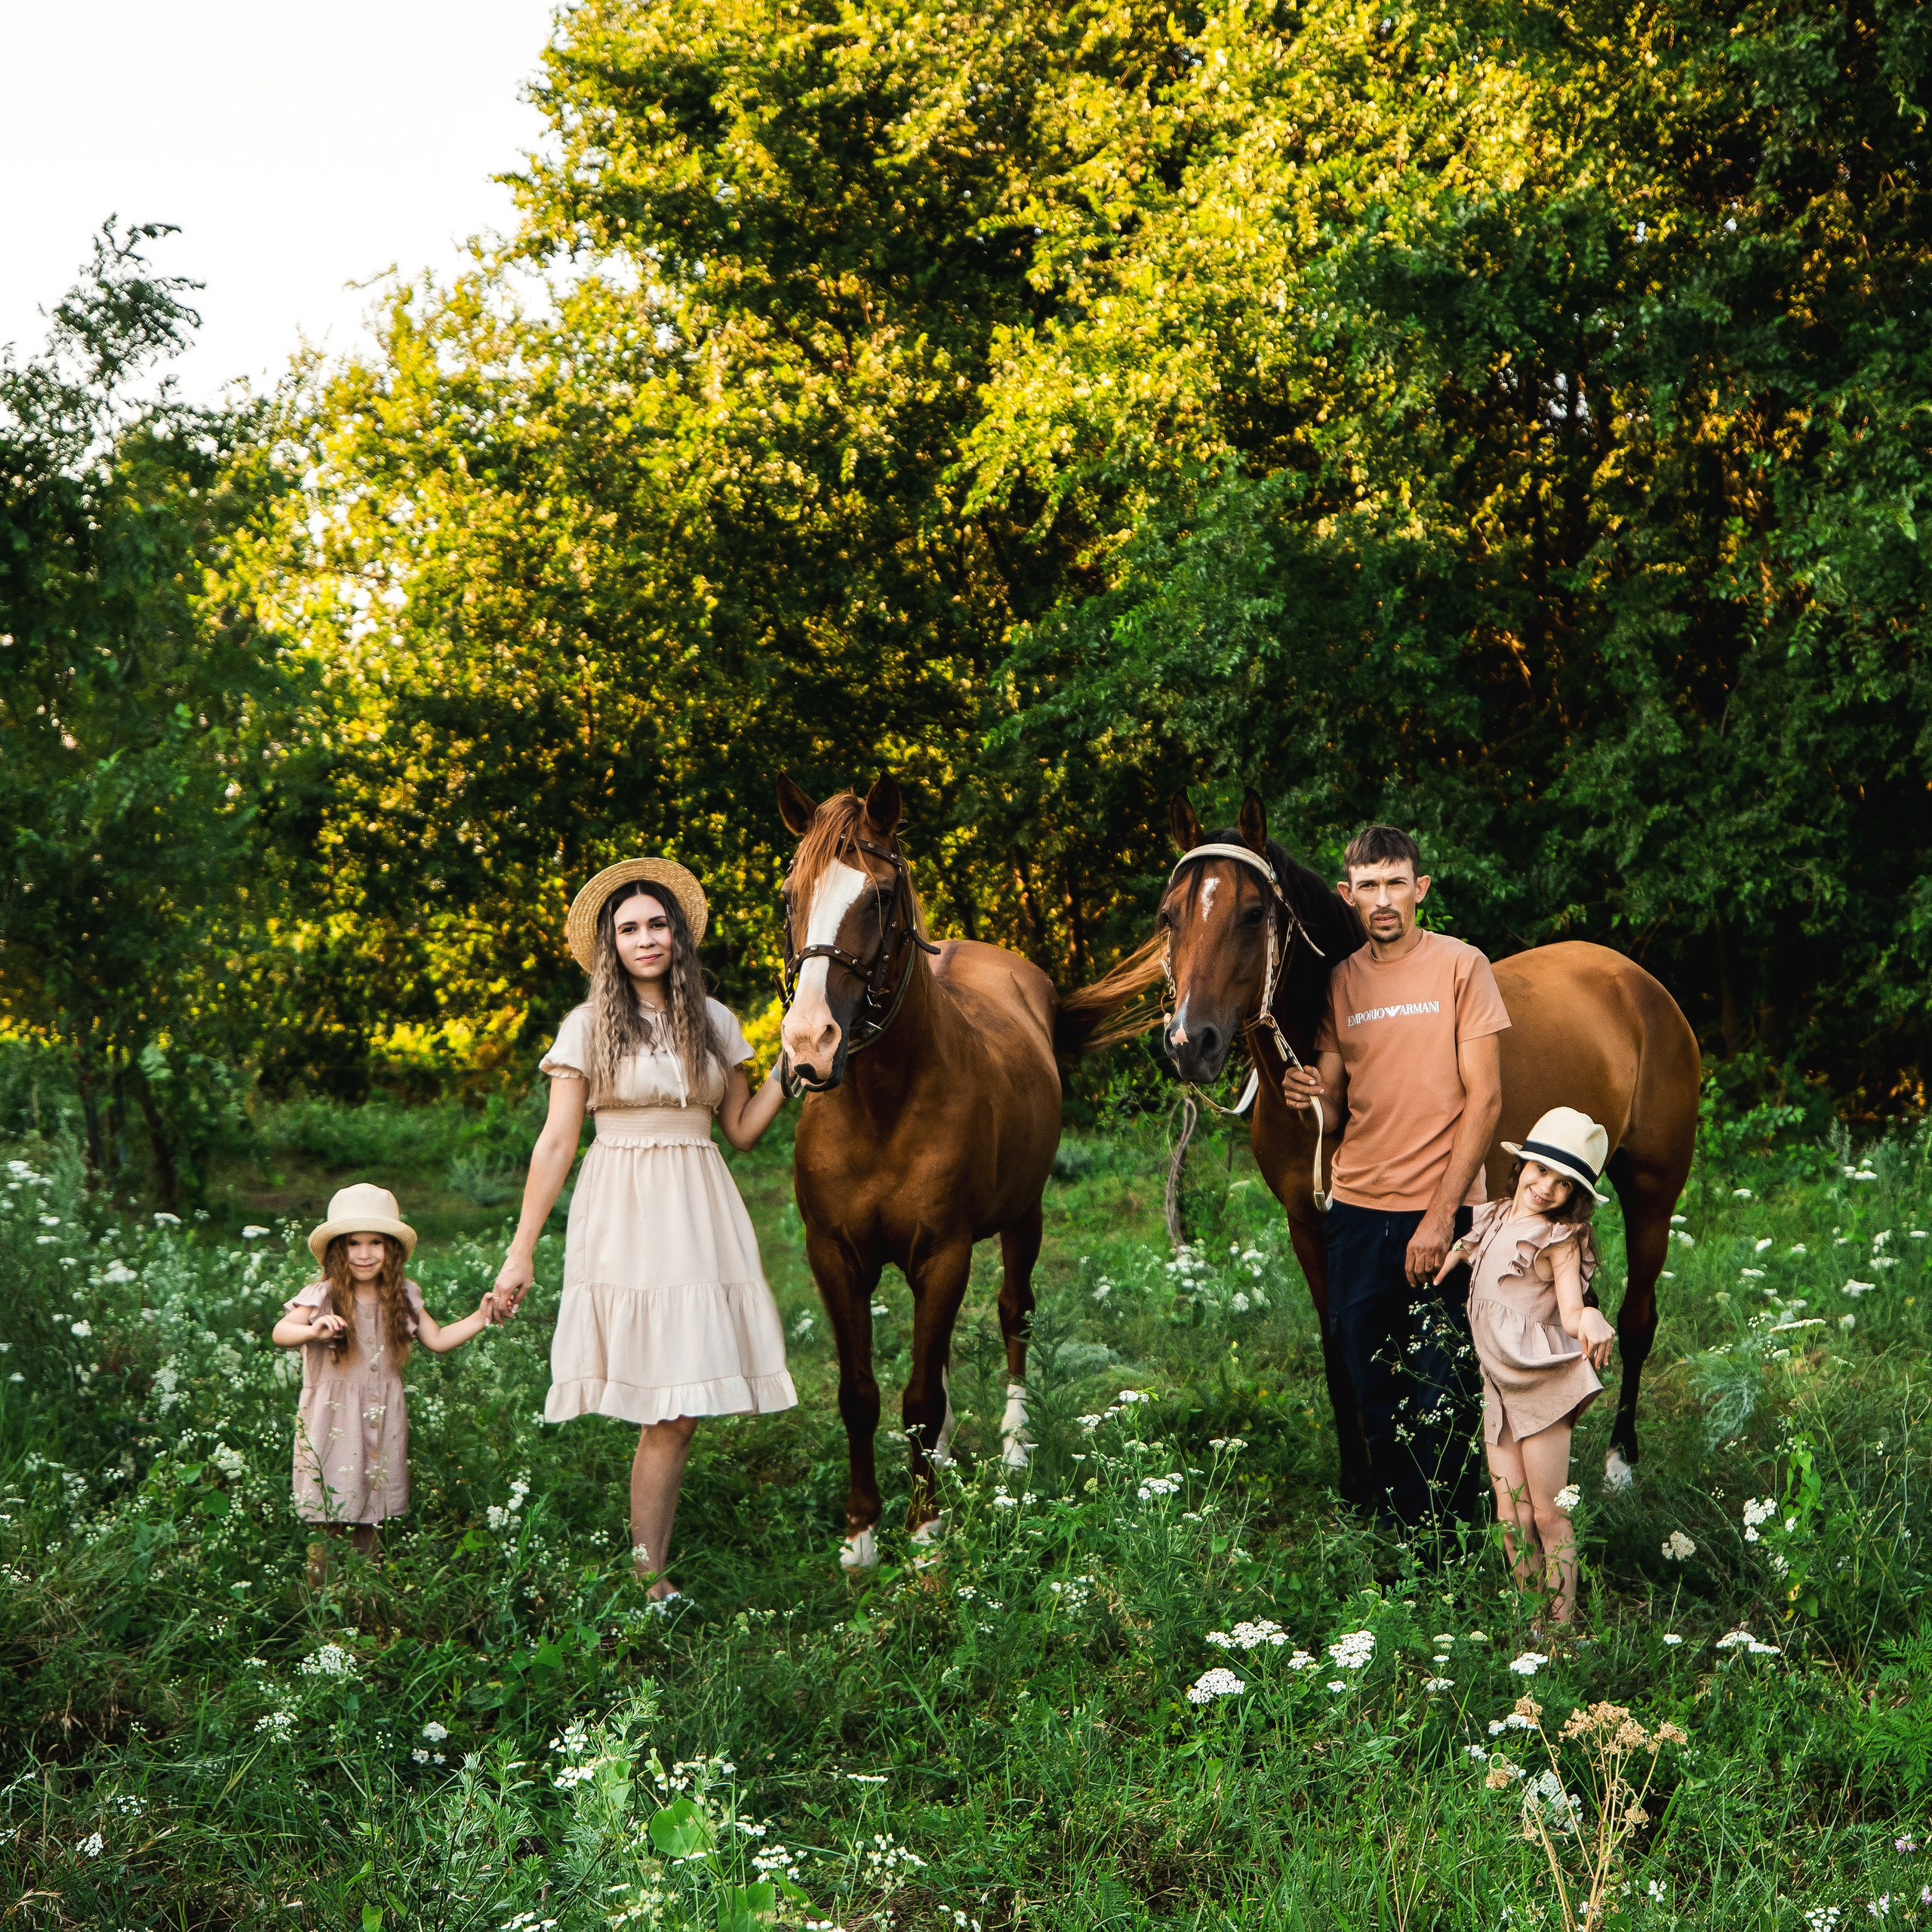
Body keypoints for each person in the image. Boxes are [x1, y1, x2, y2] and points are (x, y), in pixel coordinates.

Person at [493, 857, 796, 1602]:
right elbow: (557, 1142)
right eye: (628, 928)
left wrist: (792, 1064)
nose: (645, 938)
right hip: (624, 1203)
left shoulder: (717, 1021)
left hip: (699, 1202)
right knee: (664, 1403)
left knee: (682, 1407)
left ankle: (648, 1575)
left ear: (678, 934)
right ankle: (648, 1582)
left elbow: (743, 1130)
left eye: (657, 923)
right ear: (611, 944)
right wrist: (520, 1248)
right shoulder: (588, 1024)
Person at [1281, 823, 1510, 1527]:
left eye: (1396, 883)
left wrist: (1442, 1217)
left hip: (1442, 1216)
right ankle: (1402, 1553)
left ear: (1421, 889)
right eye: (1369, 886)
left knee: (1442, 1392)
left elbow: (1488, 1097)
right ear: (1349, 896)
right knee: (1372, 1388)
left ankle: (1455, 1548)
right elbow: (1335, 1090)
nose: (1384, 900)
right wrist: (1306, 1091)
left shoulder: (1461, 966)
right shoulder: (1341, 982)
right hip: (1355, 1214)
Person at [1435, 1107, 1617, 1623]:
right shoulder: (1494, 1214)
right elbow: (1477, 1243)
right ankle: (1531, 1618)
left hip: (1540, 1383)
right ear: (1522, 1166)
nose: (1546, 1188)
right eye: (1540, 1170)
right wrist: (1455, 1254)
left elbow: (1571, 1307)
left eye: (1564, 1184)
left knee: (1547, 1513)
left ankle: (1562, 1630)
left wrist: (1592, 1318)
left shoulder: (1560, 1239)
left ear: (1576, 1198)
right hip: (1499, 1384)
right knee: (1511, 1515)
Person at [272, 1183, 499, 1583]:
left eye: (376, 1242)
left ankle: (368, 1599)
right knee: (329, 1517)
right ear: (337, 1250)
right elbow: (281, 1332)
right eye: (353, 1243)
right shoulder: (322, 1295)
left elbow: (438, 1340)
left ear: (390, 1249)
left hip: (381, 1418)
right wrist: (313, 1330)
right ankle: (318, 1602)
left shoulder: (403, 1296)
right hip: (333, 1421)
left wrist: (481, 1317)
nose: (364, 1254)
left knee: (372, 1518)